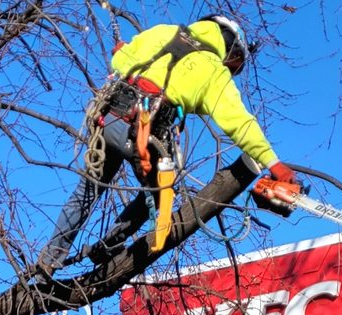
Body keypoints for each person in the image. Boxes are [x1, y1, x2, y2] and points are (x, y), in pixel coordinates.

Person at [40, 14, 297, 269]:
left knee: (86, 192)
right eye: (234, 62)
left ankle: (50, 260)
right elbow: (239, 122)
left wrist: (123, 52)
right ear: (229, 47)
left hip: (111, 121)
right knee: (160, 196)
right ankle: (107, 248)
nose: (231, 67)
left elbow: (120, 61)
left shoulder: (165, 31)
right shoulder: (213, 71)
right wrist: (273, 163)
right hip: (145, 135)